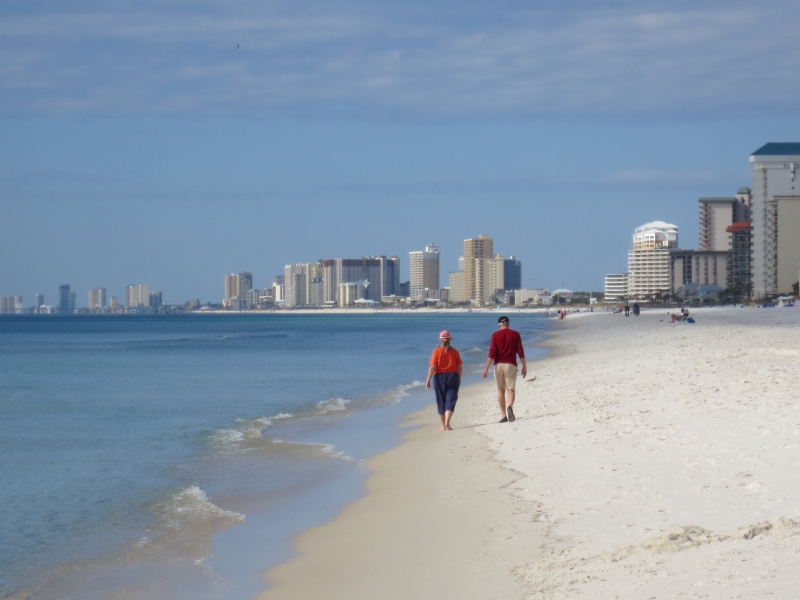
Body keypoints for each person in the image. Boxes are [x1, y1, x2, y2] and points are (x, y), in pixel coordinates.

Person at [482, 316, 527, 423]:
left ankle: (503, 416)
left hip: (498, 365)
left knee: (500, 390)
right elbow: (520, 351)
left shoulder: (495, 335)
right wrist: (524, 366)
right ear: (509, 324)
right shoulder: (515, 334)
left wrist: (486, 368)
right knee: (510, 389)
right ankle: (510, 406)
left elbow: (492, 353)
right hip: (511, 364)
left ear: (499, 325)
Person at [425, 330, 462, 431]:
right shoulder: (455, 352)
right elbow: (459, 367)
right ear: (450, 340)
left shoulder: (437, 351)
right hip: (453, 376)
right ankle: (447, 423)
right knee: (451, 399)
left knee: (441, 400)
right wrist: (459, 378)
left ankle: (443, 425)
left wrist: (428, 379)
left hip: (439, 377)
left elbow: (433, 366)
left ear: (440, 340)